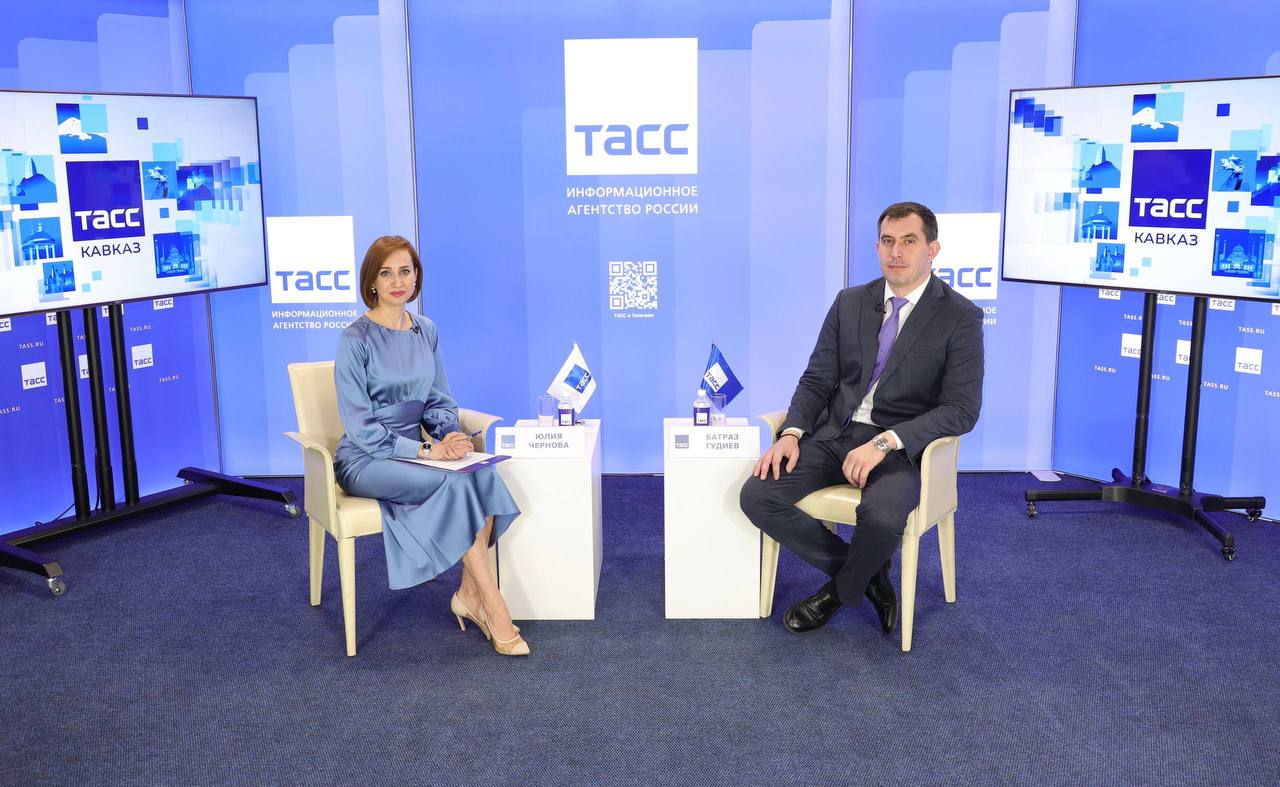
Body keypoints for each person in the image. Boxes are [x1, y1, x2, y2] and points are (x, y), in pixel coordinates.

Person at [739, 202, 984, 637]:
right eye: (888, 241)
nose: (896, 252)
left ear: (932, 249)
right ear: (877, 247)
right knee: (758, 496)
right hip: (834, 434)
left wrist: (886, 442)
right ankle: (869, 577)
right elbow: (817, 378)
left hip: (900, 449)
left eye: (909, 241)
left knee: (884, 518)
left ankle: (836, 593)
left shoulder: (959, 316)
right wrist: (791, 432)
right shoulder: (850, 302)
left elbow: (962, 409)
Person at [333, 235, 528, 656]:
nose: (397, 282)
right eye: (386, 273)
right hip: (366, 458)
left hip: (418, 452)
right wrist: (424, 452)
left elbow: (438, 399)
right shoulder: (355, 339)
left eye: (405, 271)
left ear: (416, 276)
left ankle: (468, 595)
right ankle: (494, 605)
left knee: (482, 475)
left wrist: (448, 436)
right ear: (371, 281)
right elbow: (360, 428)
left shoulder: (426, 330)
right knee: (455, 484)